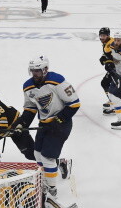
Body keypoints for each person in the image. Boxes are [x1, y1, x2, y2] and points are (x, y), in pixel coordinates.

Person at [13, 55, 80, 197]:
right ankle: (49, 177)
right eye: (32, 70)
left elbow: (74, 104)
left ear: (45, 69)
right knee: (37, 154)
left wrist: (59, 120)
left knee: (47, 157)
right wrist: (21, 123)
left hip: (61, 125)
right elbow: (30, 108)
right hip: (43, 125)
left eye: (37, 70)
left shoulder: (57, 81)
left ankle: (52, 191)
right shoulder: (28, 86)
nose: (34, 74)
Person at [98, 27, 121, 114]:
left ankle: (114, 104)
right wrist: (104, 58)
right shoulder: (108, 42)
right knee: (108, 83)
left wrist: (108, 62)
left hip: (117, 68)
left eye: (104, 35)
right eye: (100, 35)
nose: (102, 37)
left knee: (106, 83)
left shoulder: (111, 43)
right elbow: (109, 54)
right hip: (116, 67)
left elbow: (116, 56)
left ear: (108, 35)